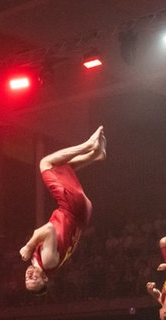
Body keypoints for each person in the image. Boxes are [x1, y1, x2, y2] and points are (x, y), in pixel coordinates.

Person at [20, 126, 106, 294]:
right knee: (46, 163)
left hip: (79, 215)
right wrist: (29, 246)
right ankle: (88, 146)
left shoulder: (44, 264)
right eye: (34, 279)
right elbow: (48, 229)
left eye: (27, 279)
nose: (29, 276)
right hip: (72, 209)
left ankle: (96, 154)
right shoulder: (48, 262)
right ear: (45, 278)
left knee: (61, 167)